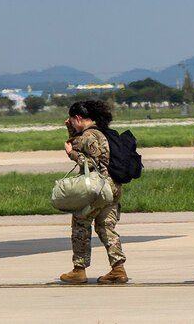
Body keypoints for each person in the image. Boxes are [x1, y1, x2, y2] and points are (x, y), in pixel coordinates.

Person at [59, 98, 127, 284]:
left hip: (97, 188)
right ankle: (118, 268)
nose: (71, 123)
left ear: (78, 118)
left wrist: (71, 154)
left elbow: (93, 163)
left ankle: (79, 269)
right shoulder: (103, 132)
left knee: (80, 225)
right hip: (112, 187)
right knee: (106, 228)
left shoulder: (89, 136)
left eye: (72, 120)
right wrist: (72, 132)